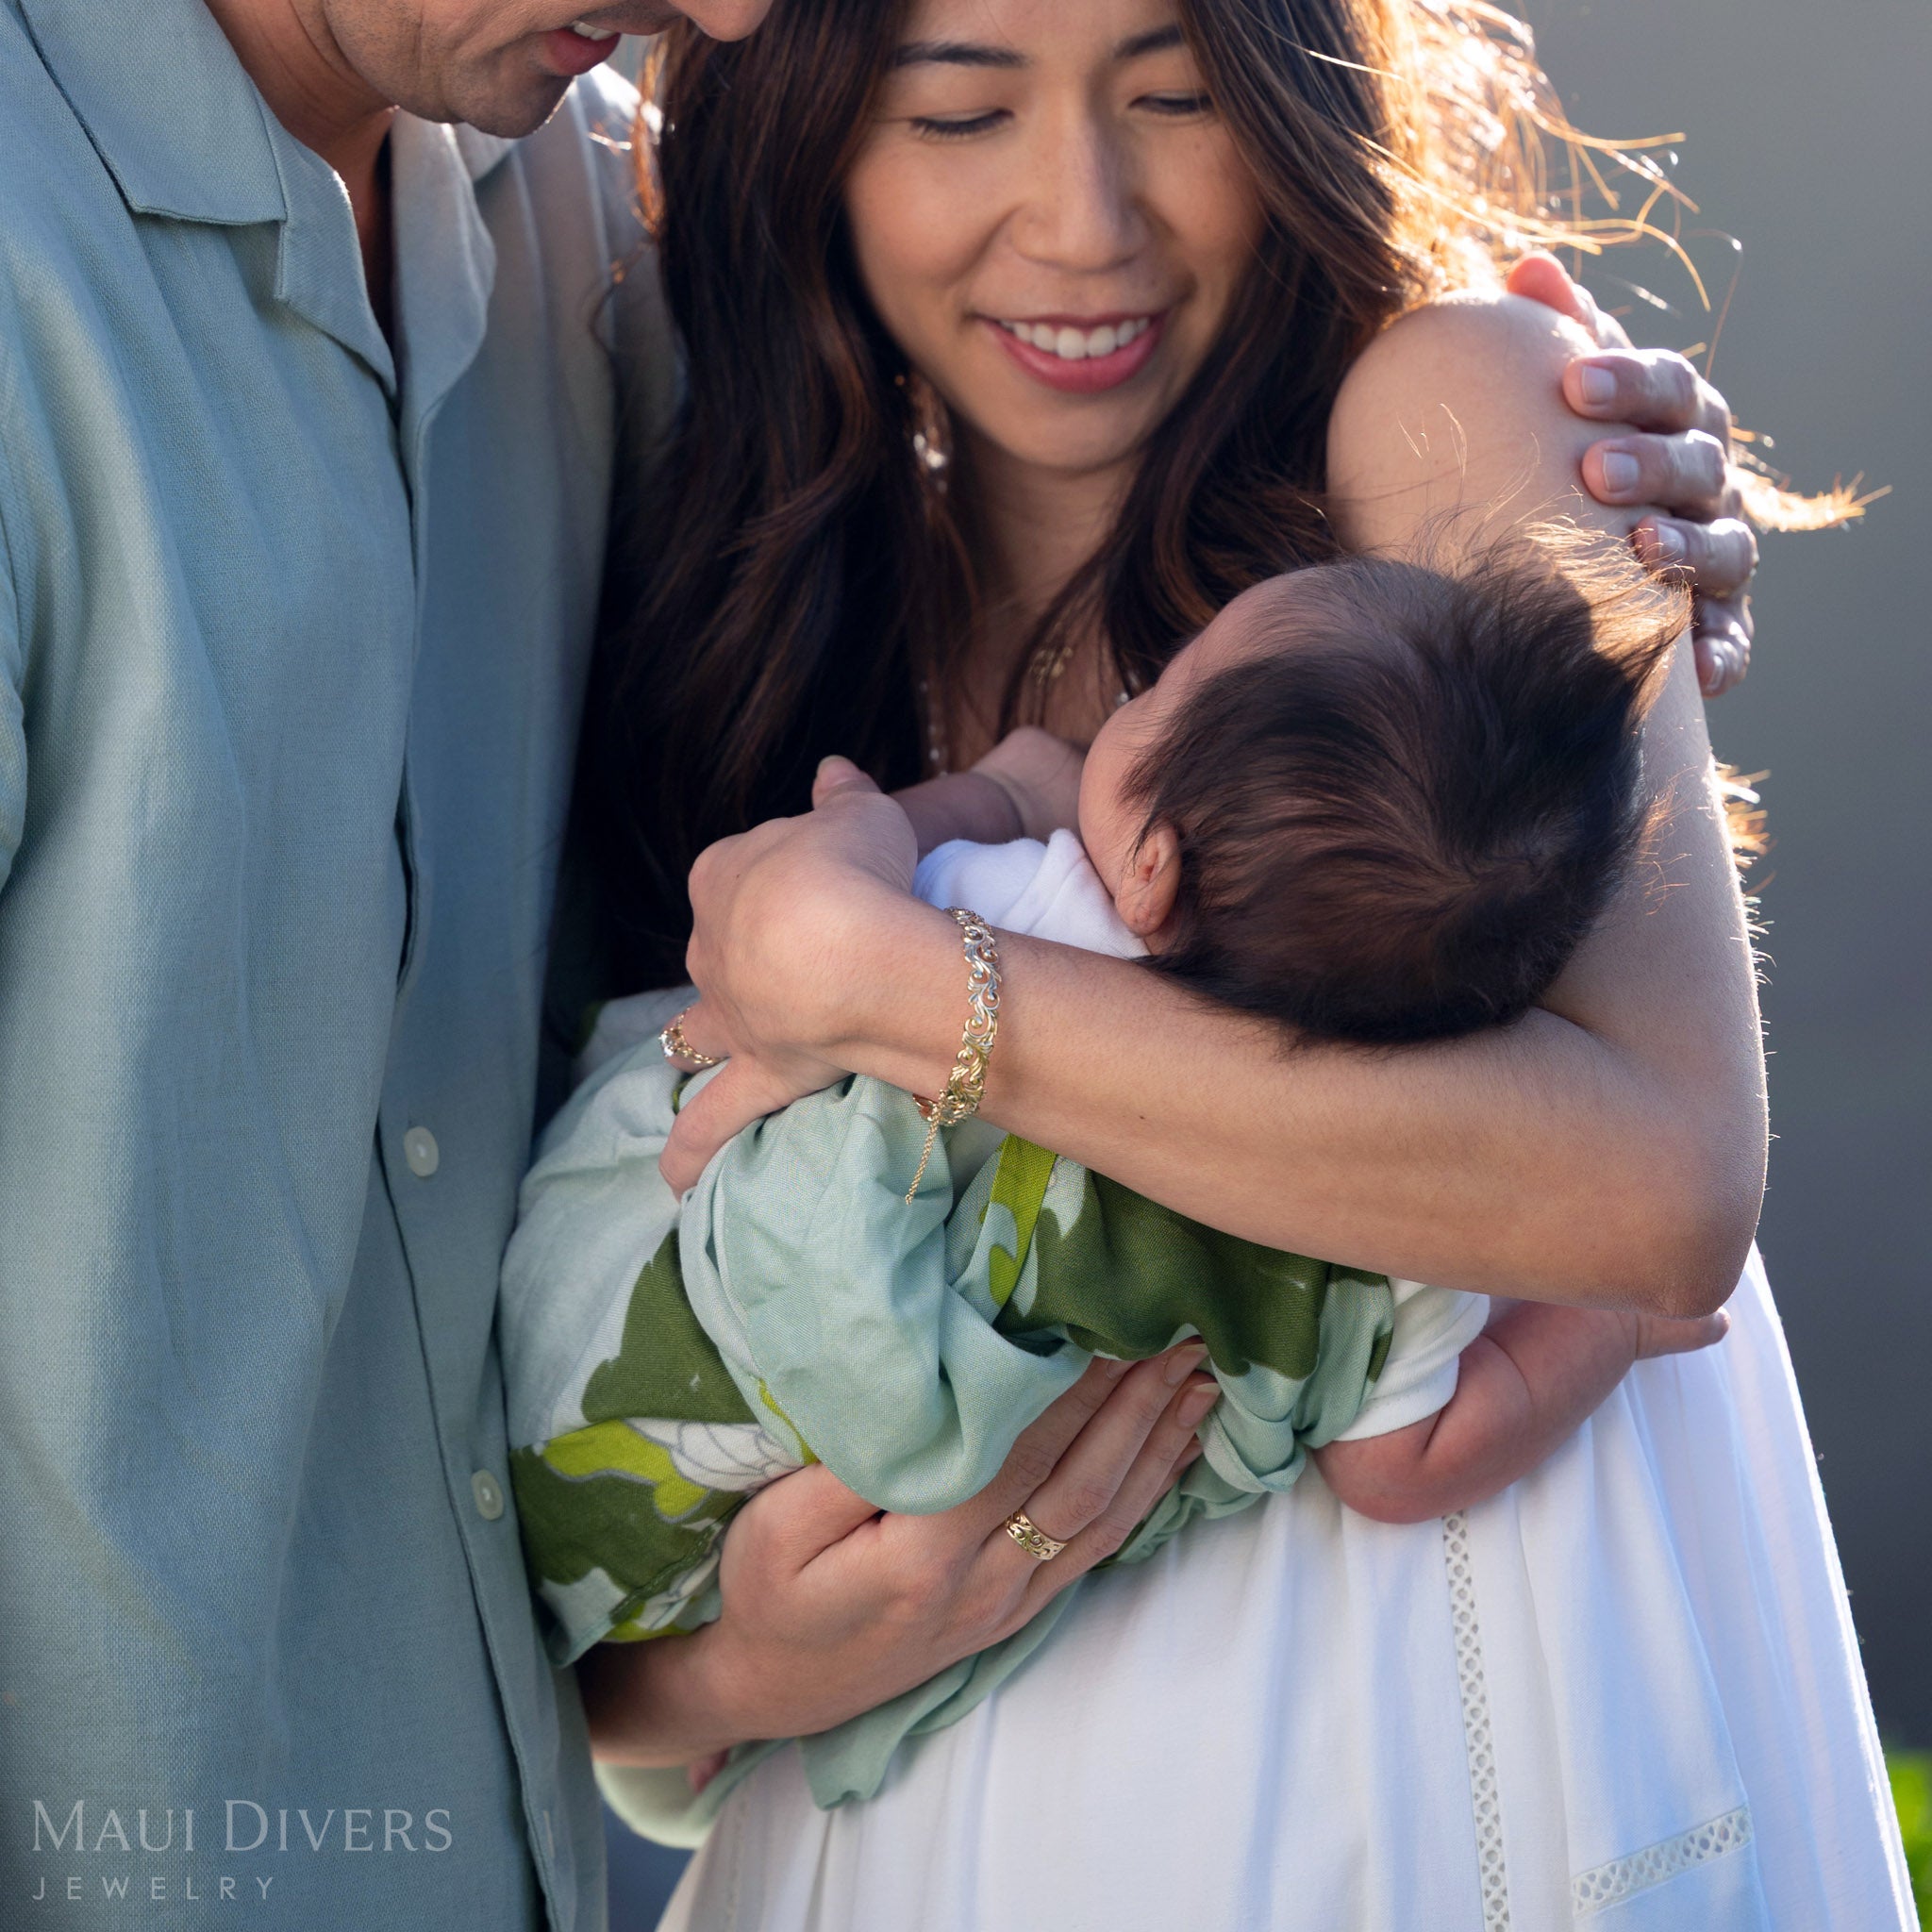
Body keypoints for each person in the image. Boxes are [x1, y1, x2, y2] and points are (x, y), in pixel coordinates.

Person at [567, 2, 1915, 1926]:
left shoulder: (1445, 412)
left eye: (1174, 96)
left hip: (1450, 1719)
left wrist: (905, 989)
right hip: (921, 1799)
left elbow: (1667, 1184)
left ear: (1290, 90)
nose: (1085, 218)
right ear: (808, 142)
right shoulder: (766, 605)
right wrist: (726, 1678)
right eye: (960, 110)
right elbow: (595, 1400)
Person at [498, 532, 1724, 1828]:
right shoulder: (1412, 1212)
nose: (1118, 709)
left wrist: (954, 798)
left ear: (1150, 869)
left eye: (1155, 695)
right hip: (822, 1568)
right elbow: (1400, 1466)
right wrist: (1613, 1321)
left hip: (669, 1371)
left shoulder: (1007, 912)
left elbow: (805, 914)